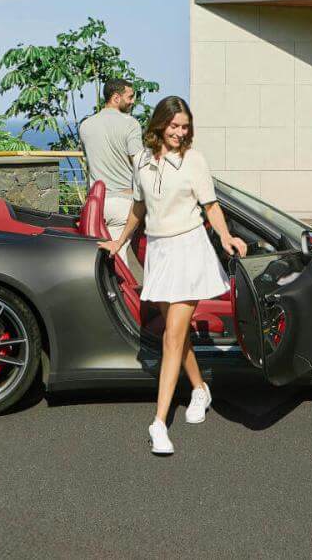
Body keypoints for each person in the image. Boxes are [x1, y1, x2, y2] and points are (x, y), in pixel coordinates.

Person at [102, 95, 246, 456]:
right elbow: (138, 207)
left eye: (185, 127)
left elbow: (210, 206)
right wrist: (118, 241)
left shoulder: (194, 161)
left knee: (171, 337)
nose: (180, 132)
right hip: (160, 252)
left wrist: (226, 236)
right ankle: (200, 389)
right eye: (174, 125)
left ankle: (159, 423)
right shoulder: (143, 163)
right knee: (178, 338)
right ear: (160, 125)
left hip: (189, 250)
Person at [78, 78, 140, 242]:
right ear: (116, 98)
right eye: (130, 97)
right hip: (123, 203)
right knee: (119, 258)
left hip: (96, 204)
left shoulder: (85, 125)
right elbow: (139, 163)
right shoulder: (131, 124)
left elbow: (90, 161)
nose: (133, 101)